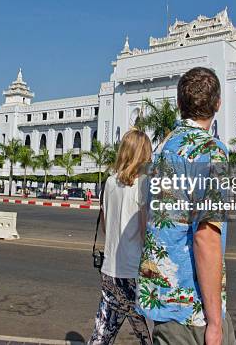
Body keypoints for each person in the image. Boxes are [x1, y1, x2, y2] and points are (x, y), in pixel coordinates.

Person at [136, 67, 236, 345]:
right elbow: (205, 237)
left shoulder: (161, 150)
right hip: (194, 310)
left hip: (162, 302)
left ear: (180, 105)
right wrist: (215, 322)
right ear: (218, 104)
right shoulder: (211, 152)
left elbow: (146, 218)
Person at [89, 129, 153, 345]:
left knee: (102, 334)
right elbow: (145, 231)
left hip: (110, 270)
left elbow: (107, 227)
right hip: (135, 272)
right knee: (148, 335)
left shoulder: (109, 182)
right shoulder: (144, 184)